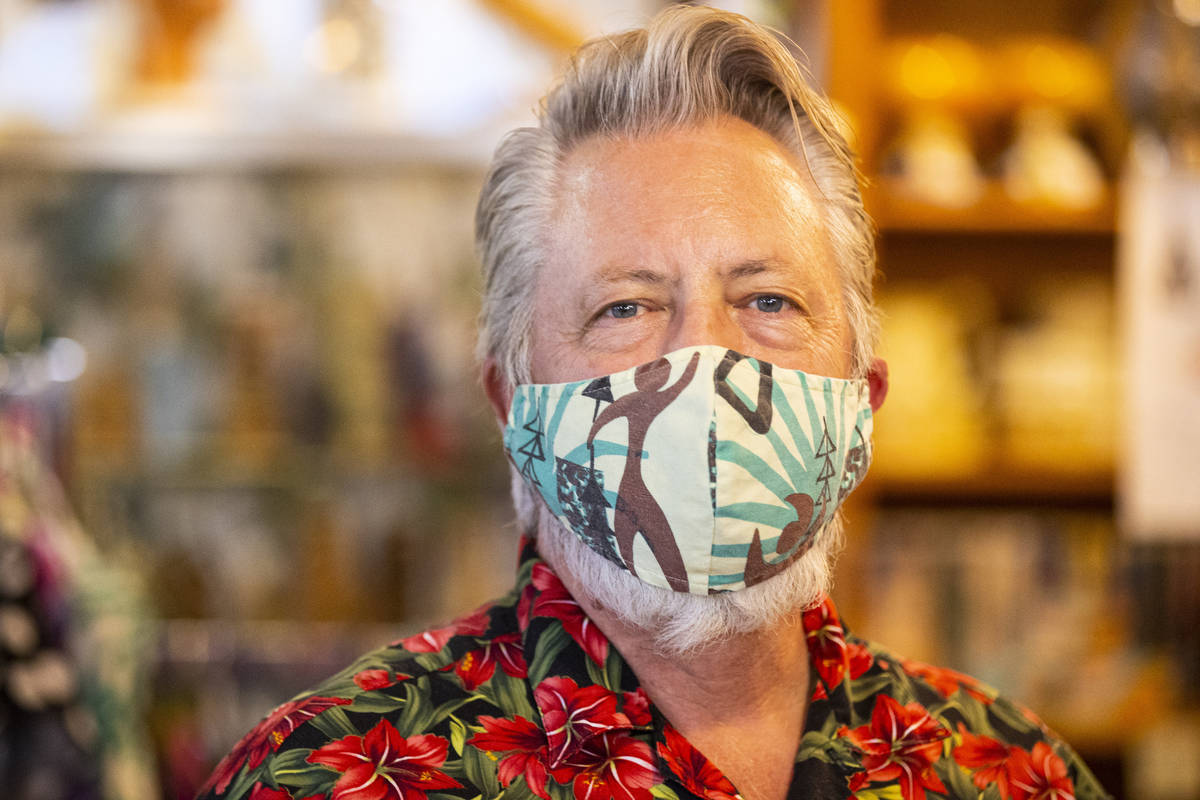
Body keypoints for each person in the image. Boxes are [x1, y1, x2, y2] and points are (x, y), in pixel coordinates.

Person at [198, 7, 1110, 800]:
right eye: (624, 307)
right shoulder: (330, 775)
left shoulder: (1007, 772)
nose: (704, 357)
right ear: (512, 403)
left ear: (863, 399)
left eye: (768, 300)